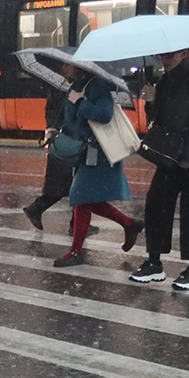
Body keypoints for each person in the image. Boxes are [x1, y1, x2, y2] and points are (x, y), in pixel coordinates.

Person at [130, 48, 189, 290]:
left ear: (185, 52)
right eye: (162, 55)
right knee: (156, 202)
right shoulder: (165, 81)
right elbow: (159, 120)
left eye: (170, 55)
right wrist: (152, 101)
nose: (165, 59)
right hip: (172, 156)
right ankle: (154, 261)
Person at [51, 64, 143, 268]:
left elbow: (105, 114)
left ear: (80, 67)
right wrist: (58, 131)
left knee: (80, 197)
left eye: (67, 65)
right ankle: (129, 224)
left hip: (98, 152)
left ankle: (76, 251)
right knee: (86, 199)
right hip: (83, 152)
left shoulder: (98, 86)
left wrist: (81, 102)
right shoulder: (75, 86)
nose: (63, 69)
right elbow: (72, 119)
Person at [23, 67, 97, 237]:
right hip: (71, 141)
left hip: (63, 140)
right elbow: (65, 112)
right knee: (76, 184)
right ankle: (74, 224)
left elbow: (53, 109)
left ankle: (43, 211)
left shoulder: (63, 85)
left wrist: (52, 127)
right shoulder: (73, 88)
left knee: (67, 184)